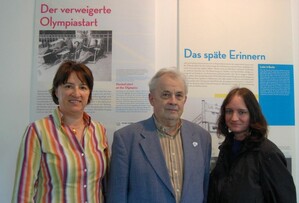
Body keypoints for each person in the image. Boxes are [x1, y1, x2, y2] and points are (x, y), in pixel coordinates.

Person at [107, 68, 212, 203]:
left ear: (184, 100)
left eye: (179, 95)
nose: (173, 101)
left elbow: (204, 190)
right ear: (152, 99)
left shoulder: (202, 138)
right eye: (166, 95)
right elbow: (117, 196)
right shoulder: (126, 139)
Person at [12, 61, 110, 203]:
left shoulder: (99, 131)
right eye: (68, 86)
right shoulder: (37, 131)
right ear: (56, 91)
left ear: (89, 93)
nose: (76, 93)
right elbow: (23, 194)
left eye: (83, 87)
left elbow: (104, 187)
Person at [208, 87, 296, 203]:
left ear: (253, 115)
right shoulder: (226, 148)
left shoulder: (267, 153)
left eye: (242, 112)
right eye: (229, 111)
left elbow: (284, 199)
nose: (234, 118)